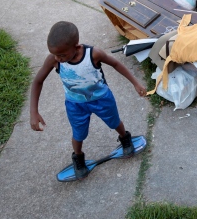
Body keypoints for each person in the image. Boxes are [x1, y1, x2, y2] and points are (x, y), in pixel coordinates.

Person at [30, 21, 147, 179]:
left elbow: (116, 64)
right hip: (75, 105)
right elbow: (38, 81)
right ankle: (78, 159)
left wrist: (135, 83)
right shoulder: (53, 60)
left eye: (62, 55)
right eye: (55, 54)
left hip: (102, 99)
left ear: (76, 46)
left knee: (114, 122)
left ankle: (125, 139)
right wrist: (34, 111)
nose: (58, 58)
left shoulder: (93, 54)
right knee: (78, 134)